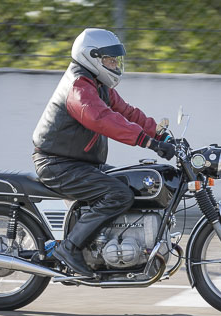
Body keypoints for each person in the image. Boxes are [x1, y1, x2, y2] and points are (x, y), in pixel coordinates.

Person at [32, 28, 176, 277]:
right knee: (119, 194)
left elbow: (127, 113)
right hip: (58, 164)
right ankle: (70, 248)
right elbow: (101, 119)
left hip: (79, 163)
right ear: (92, 57)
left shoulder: (99, 85)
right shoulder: (79, 87)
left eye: (114, 59)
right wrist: (146, 142)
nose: (114, 64)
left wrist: (159, 134)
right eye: (109, 59)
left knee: (133, 184)